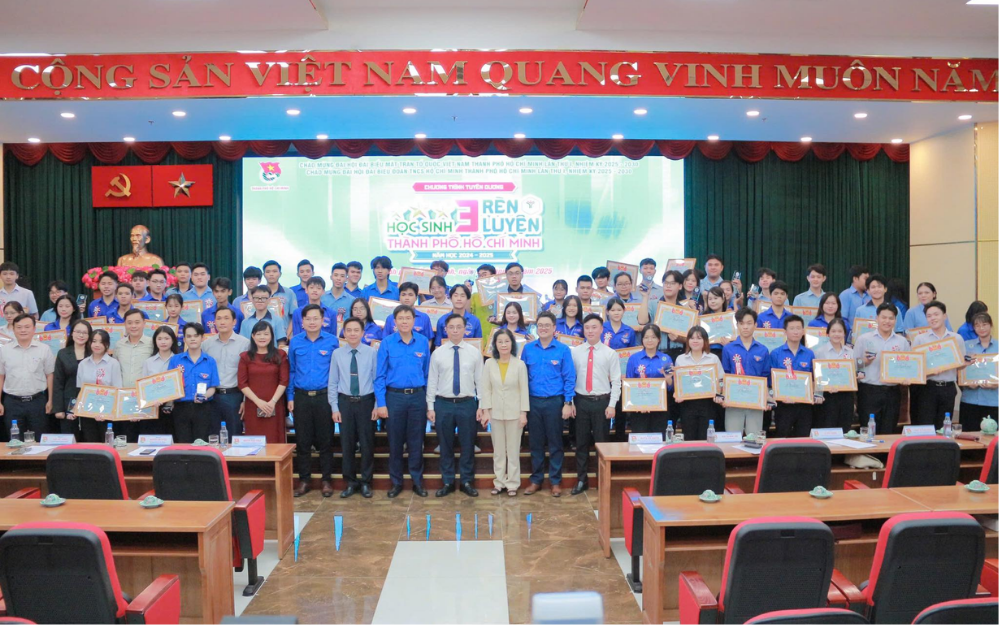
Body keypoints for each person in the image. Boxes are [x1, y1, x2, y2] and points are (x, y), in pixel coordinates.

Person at [375, 305, 431, 498]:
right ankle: (396, 482)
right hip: (394, 398)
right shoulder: (387, 343)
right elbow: (380, 376)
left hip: (417, 397)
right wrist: (381, 403)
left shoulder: (422, 342)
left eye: (408, 318)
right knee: (395, 442)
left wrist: (427, 401)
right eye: (401, 318)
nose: (405, 321)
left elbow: (427, 373)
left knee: (417, 441)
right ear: (394, 321)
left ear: (414, 321)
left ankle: (417, 482)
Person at [427, 313, 484, 497]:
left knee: (468, 445)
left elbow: (480, 381)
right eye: (451, 327)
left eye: (459, 327)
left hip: (467, 403)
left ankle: (467, 481)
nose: (455, 330)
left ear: (465, 329)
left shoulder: (474, 352)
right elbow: (432, 382)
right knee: (445, 445)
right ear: (446, 329)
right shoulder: (438, 353)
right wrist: (430, 407)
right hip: (443, 404)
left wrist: (481, 405)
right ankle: (448, 481)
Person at [520, 311, 576, 496]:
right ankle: (536, 480)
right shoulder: (528, 349)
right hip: (533, 402)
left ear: (554, 328)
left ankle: (555, 482)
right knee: (535, 443)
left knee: (555, 443)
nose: (543, 328)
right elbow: (522, 377)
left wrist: (568, 402)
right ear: (536, 328)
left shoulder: (563, 350)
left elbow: (569, 377)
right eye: (540, 325)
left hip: (554, 402)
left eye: (547, 325)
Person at [287, 305, 339, 497]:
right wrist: (290, 397)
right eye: (308, 318)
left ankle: (326, 481)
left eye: (316, 318)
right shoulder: (295, 342)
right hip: (301, 397)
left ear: (323, 321)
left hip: (324, 397)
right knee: (303, 441)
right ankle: (304, 481)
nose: (312, 322)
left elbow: (336, 372)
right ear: (302, 321)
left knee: (326, 441)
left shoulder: (332, 341)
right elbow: (292, 371)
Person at [569, 313, 621, 495]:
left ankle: (602, 480)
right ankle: (581, 480)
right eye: (587, 327)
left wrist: (612, 404)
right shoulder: (575, 352)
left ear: (601, 329)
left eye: (594, 327)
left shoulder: (610, 353)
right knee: (581, 443)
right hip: (581, 402)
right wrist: (570, 402)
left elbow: (616, 381)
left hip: (602, 403)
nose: (590, 331)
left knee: (602, 443)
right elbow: (570, 378)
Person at [327, 317, 377, 498]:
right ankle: (350, 482)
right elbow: (333, 382)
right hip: (345, 403)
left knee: (367, 443)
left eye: (356, 330)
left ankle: (366, 482)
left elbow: (377, 380)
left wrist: (377, 405)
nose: (353, 333)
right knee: (346, 444)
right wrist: (334, 407)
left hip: (366, 402)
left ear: (363, 333)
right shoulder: (337, 354)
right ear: (344, 333)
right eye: (349, 330)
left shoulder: (372, 353)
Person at [479, 328, 529, 496]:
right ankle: (499, 482)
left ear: (512, 344)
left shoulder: (519, 364)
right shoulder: (489, 363)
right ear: (495, 345)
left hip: (515, 413)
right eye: (500, 342)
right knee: (499, 451)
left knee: (513, 451)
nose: (503, 345)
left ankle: (513, 483)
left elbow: (524, 390)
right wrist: (486, 411)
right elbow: (486, 388)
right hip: (495, 413)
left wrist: (523, 413)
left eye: (507, 341)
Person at [854, 303, 910, 437]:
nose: (887, 321)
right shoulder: (864, 339)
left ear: (895, 320)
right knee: (869, 431)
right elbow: (854, 364)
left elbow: (907, 365)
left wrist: (907, 377)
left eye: (891, 318)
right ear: (877, 318)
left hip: (892, 392)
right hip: (869, 391)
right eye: (884, 317)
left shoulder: (902, 342)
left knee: (889, 430)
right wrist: (865, 361)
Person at [910, 301, 965, 429]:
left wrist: (964, 364)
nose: (932, 318)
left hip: (948, 388)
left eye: (936, 314)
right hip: (927, 388)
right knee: (925, 425)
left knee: (944, 426)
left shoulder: (956, 339)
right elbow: (914, 367)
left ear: (944, 316)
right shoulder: (920, 339)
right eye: (929, 316)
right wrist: (928, 370)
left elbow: (961, 364)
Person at [0, 314, 54, 439]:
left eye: (27, 327)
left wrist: (50, 400)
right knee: (15, 440)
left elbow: (50, 376)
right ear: (13, 329)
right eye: (19, 327)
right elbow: (1, 376)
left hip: (37, 401)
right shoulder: (4, 350)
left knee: (40, 439)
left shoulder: (44, 349)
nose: (23, 330)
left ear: (34, 329)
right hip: (12, 403)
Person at [720, 307, 770, 435]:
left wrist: (767, 397)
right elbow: (725, 375)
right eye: (741, 323)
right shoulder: (728, 349)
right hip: (733, 401)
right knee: (732, 437)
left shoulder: (763, 350)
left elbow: (765, 377)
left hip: (755, 401)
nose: (745, 327)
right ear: (737, 325)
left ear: (755, 325)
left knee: (754, 439)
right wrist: (724, 396)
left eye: (749, 323)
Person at [238, 321, 289, 445]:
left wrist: (272, 402)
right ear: (253, 336)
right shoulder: (245, 357)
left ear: (271, 336)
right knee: (254, 441)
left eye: (266, 334)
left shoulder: (280, 355)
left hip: (275, 404)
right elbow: (242, 383)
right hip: (253, 404)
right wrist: (258, 402)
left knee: (275, 440)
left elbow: (284, 380)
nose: (262, 337)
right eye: (258, 334)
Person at [203, 307, 251, 437]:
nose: (222, 322)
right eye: (219, 319)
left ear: (234, 322)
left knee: (234, 436)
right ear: (214, 322)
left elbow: (249, 374)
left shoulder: (245, 344)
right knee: (213, 436)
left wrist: (246, 400)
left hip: (234, 396)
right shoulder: (206, 345)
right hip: (213, 397)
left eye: (226, 318)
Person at [168, 324, 220, 443]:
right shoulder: (175, 360)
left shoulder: (210, 361)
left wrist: (204, 396)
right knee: (183, 443)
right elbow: (170, 385)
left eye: (196, 336)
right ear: (184, 339)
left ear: (202, 338)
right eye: (189, 336)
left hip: (203, 408)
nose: (192, 339)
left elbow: (213, 387)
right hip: (181, 408)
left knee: (201, 443)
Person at [768, 315, 816, 438]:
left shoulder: (809, 354)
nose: (796, 332)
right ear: (785, 332)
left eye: (798, 328)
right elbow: (771, 381)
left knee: (803, 439)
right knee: (782, 438)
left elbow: (814, 379)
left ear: (803, 331)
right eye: (792, 328)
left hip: (804, 405)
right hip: (783, 405)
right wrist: (777, 396)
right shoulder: (775, 353)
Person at [674, 326, 724, 441]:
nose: (695, 341)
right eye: (692, 338)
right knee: (689, 439)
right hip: (687, 404)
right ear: (688, 341)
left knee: (706, 439)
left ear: (705, 341)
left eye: (699, 338)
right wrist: (677, 394)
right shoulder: (680, 359)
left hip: (708, 404)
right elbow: (678, 383)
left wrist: (720, 394)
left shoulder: (713, 358)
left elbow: (721, 380)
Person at [113, 309, 154, 441]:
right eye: (129, 323)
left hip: (146, 400)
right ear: (124, 324)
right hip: (125, 401)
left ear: (144, 323)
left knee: (146, 440)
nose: (133, 326)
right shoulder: (119, 345)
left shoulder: (152, 344)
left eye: (137, 322)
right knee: (127, 439)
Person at [76, 329, 123, 442]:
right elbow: (80, 390)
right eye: (94, 341)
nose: (97, 345)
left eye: (101, 342)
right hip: (87, 413)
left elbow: (117, 390)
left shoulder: (113, 363)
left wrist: (106, 412)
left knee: (107, 444)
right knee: (90, 444)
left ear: (107, 345)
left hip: (107, 414)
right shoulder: (83, 364)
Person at [626, 324, 674, 434]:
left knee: (660, 438)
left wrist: (667, 378)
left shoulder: (666, 359)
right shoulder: (634, 359)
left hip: (660, 407)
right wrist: (638, 404)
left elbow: (671, 387)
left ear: (659, 339)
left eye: (653, 337)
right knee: (640, 439)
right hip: (639, 408)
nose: (650, 340)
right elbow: (629, 385)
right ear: (642, 339)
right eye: (646, 337)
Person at [812, 318, 856, 432]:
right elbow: (817, 376)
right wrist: (820, 392)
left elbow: (854, 374)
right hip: (828, 396)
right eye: (833, 331)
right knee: (828, 429)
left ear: (844, 333)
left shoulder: (851, 352)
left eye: (840, 331)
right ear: (828, 333)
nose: (837, 334)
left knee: (845, 428)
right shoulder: (820, 352)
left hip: (846, 396)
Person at [52, 320, 92, 435]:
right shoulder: (63, 353)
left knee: (90, 437)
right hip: (69, 402)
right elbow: (58, 383)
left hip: (90, 403)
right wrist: (58, 409)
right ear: (72, 333)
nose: (81, 335)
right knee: (70, 438)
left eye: (85, 333)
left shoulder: (94, 353)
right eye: (78, 332)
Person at [959, 312, 997, 432]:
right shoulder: (966, 346)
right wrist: (966, 383)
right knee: (969, 436)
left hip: (994, 401)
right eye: (977, 325)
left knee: (992, 438)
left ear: (991, 325)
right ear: (974, 328)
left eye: (984, 324)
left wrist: (997, 383)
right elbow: (959, 369)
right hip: (970, 400)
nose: (981, 328)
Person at [141, 325, 180, 436]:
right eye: (159, 339)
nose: (163, 342)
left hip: (175, 407)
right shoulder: (148, 362)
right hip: (153, 408)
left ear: (173, 340)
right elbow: (143, 387)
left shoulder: (179, 360)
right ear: (155, 341)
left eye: (166, 338)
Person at [262, 260, 298, 325]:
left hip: (284, 330)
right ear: (264, 275)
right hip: (262, 330)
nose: (271, 274)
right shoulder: (258, 293)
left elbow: (294, 317)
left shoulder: (289, 293)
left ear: (280, 274)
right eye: (268, 272)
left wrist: (288, 332)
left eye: (274, 271)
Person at [321, 263, 356, 329]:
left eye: (342, 276)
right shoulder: (322, 297)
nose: (338, 278)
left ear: (346, 279)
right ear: (331, 277)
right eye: (336, 275)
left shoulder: (352, 301)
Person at [470, 264, 499, 340]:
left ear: (493, 276)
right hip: (480, 334)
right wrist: (467, 293)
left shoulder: (501, 295)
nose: (481, 278)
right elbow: (468, 313)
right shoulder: (475, 296)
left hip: (498, 335)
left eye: (484, 274)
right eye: (479, 275)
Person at [839, 264, 871, 329]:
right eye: (865, 279)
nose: (868, 282)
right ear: (855, 279)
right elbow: (842, 319)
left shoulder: (871, 295)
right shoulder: (845, 295)